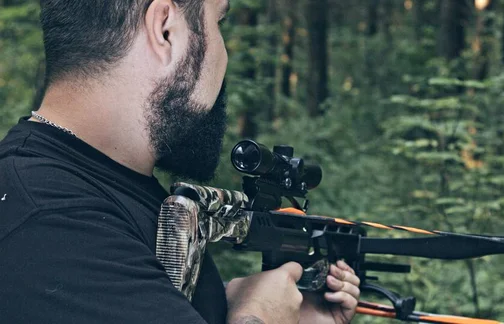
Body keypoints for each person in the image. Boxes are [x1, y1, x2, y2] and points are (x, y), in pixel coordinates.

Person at [0, 0, 360, 323]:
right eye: (219, 23)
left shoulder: (108, 190)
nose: (223, 56)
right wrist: (261, 317)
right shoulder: (49, 222)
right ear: (165, 29)